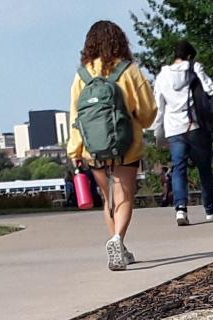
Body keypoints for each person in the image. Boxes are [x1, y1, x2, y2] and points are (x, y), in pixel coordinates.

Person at [67, 20, 157, 271]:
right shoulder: (129, 71)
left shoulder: (82, 75)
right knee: (125, 195)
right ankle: (118, 239)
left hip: (93, 148)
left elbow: (75, 117)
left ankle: (119, 245)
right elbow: (148, 113)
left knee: (109, 198)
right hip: (126, 144)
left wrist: (74, 150)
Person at [153, 39, 213, 226]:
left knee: (178, 169)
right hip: (195, 126)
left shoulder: (162, 76)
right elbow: (211, 88)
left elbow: (159, 106)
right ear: (189, 56)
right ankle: (210, 209)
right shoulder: (194, 68)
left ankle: (181, 209)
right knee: (204, 168)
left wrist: (157, 132)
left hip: (174, 129)